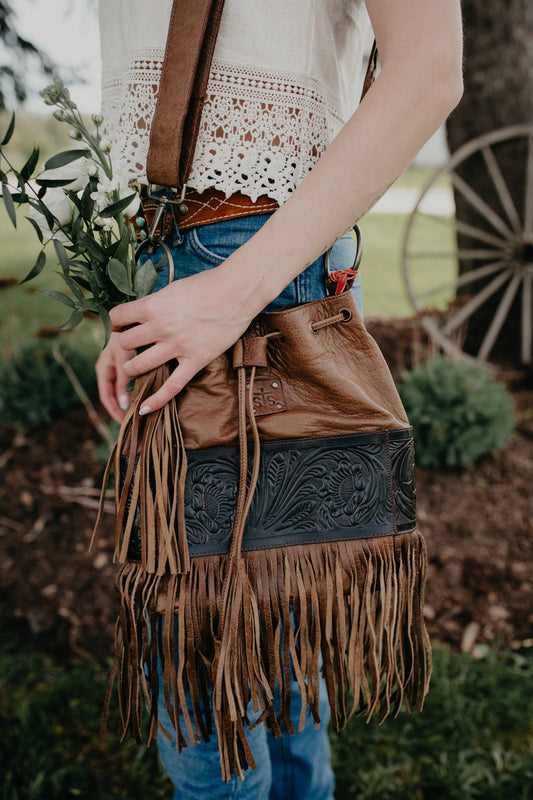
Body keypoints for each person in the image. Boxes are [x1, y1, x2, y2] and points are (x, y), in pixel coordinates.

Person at [95, 1, 463, 797]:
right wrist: (162, 286)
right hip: (213, 258)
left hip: (252, 265)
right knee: (274, 627)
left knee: (206, 658)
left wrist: (227, 290)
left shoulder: (238, 278)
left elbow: (430, 67)